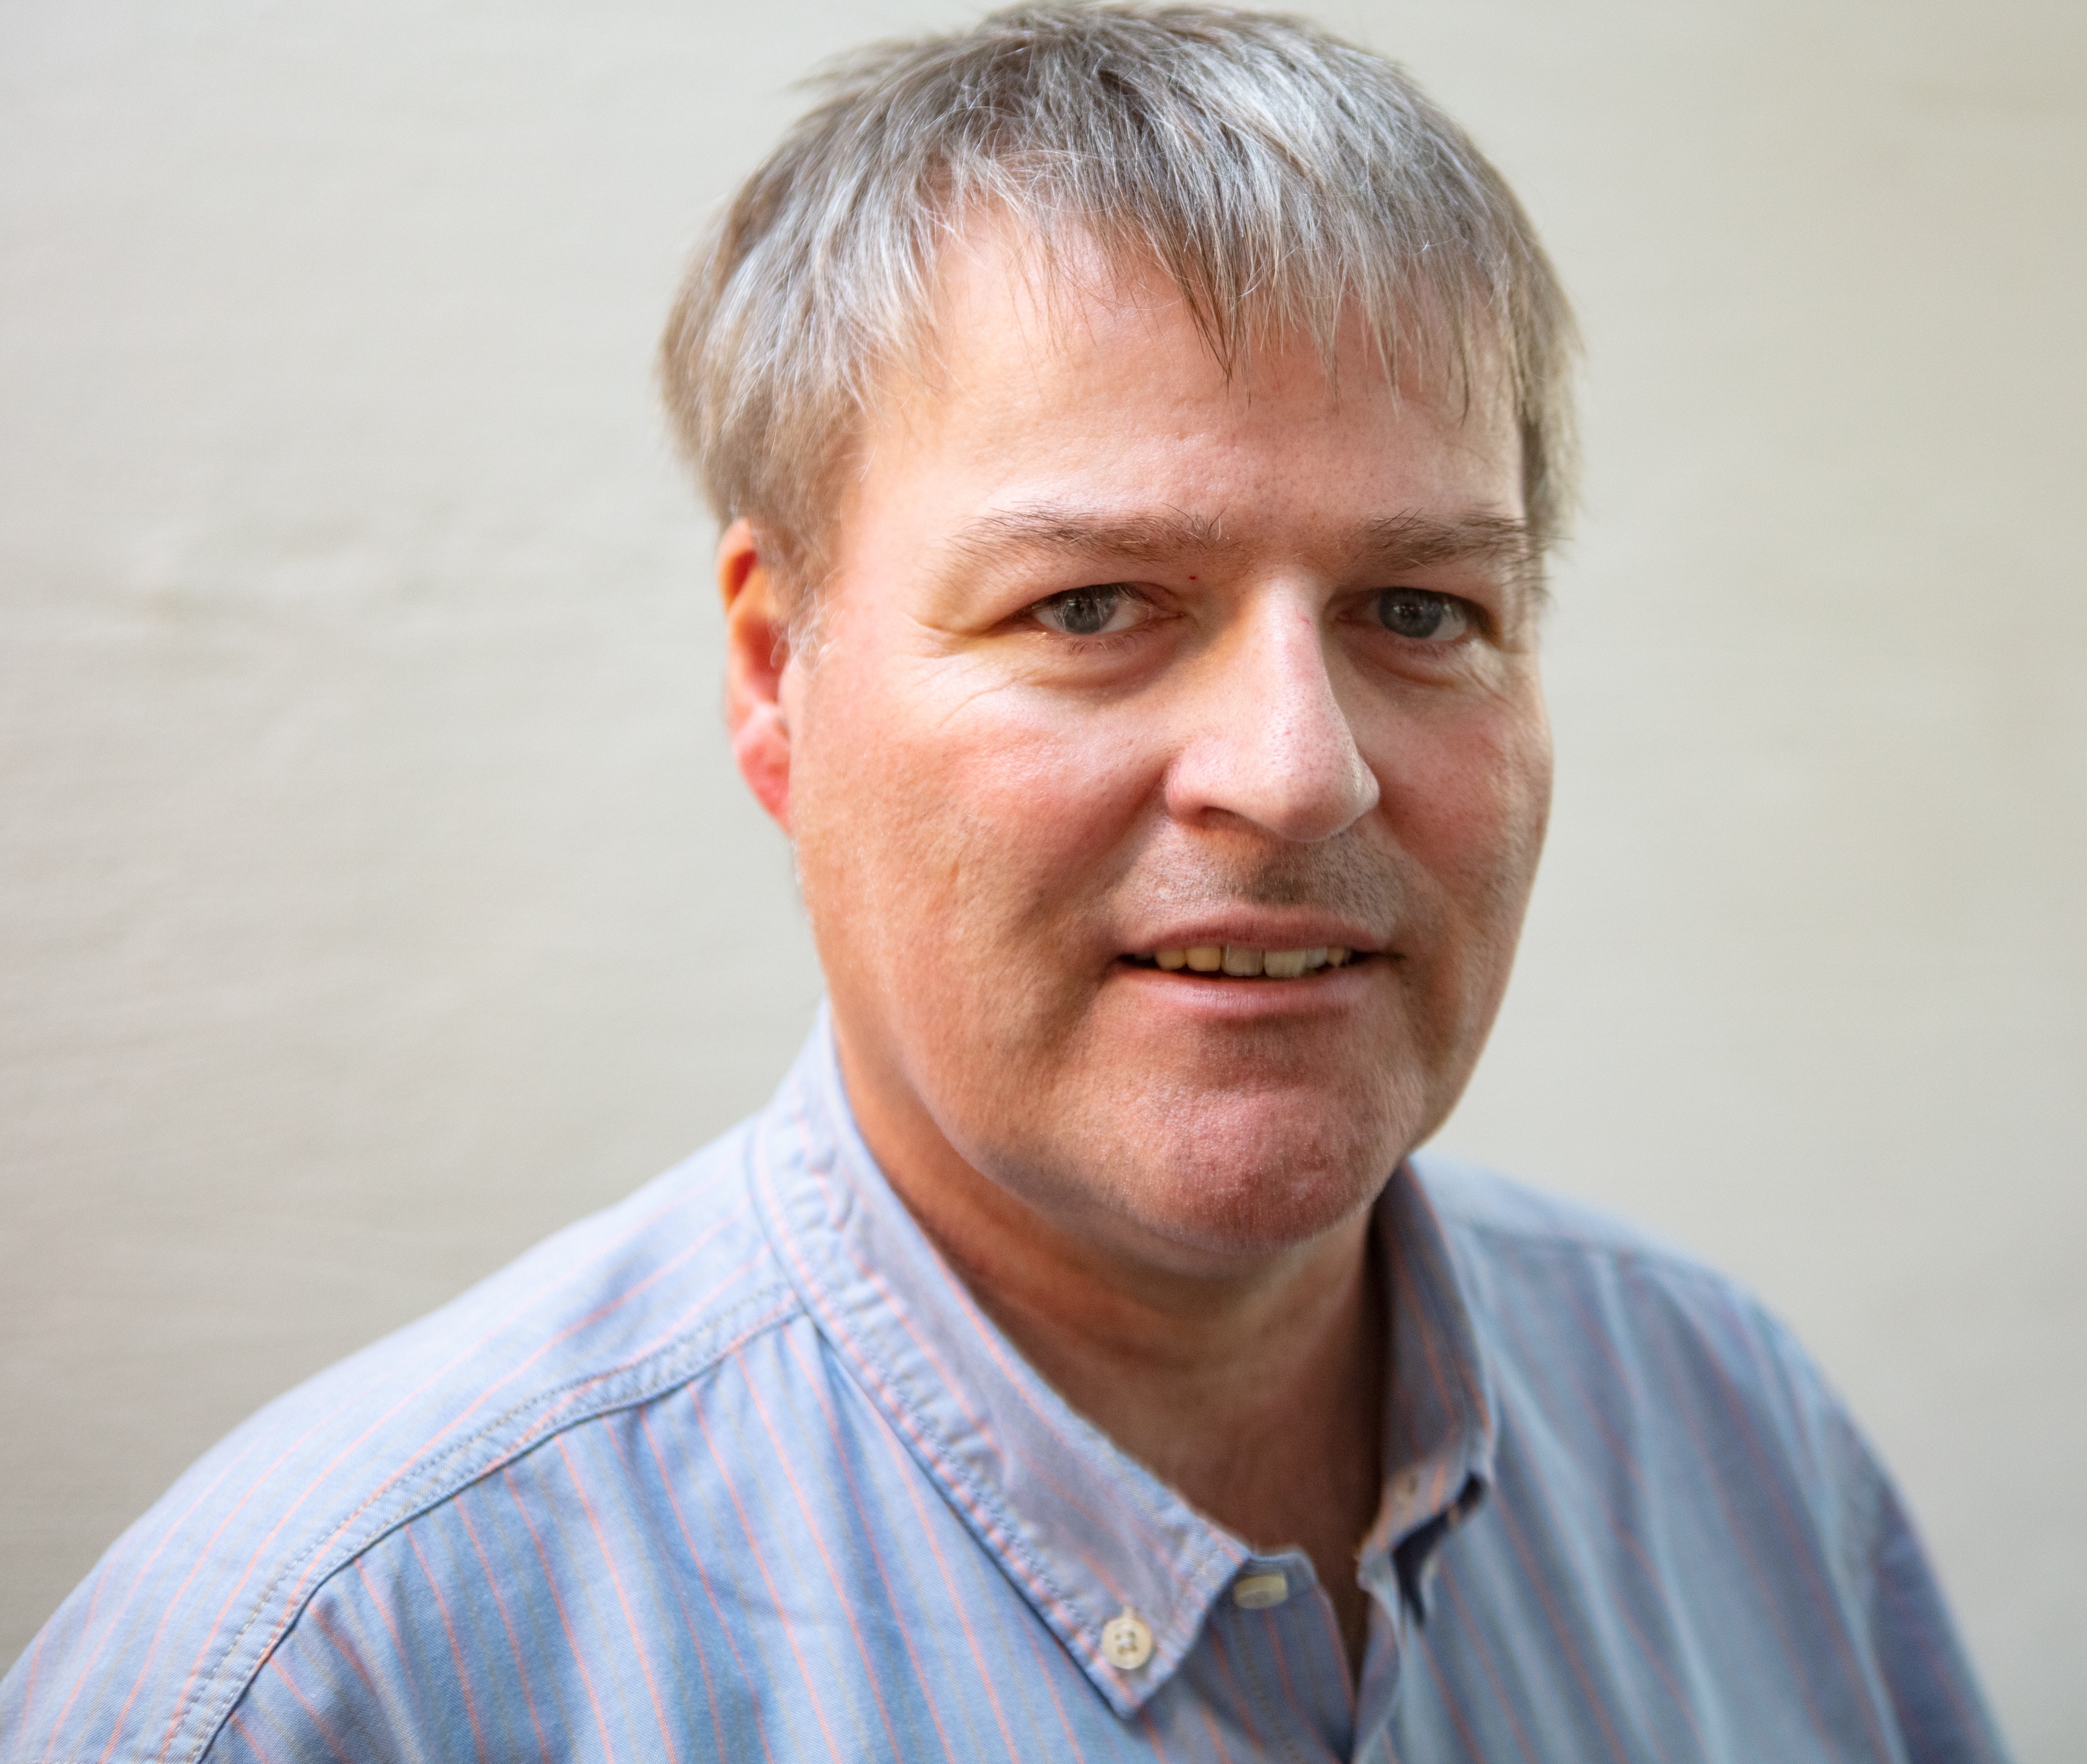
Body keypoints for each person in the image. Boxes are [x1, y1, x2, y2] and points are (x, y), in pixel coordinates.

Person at [0, 6, 2010, 1760]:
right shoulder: (329, 1675)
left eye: (1420, 608)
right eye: (1092, 604)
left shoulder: (1732, 1442)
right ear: (776, 674)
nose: (1296, 769)